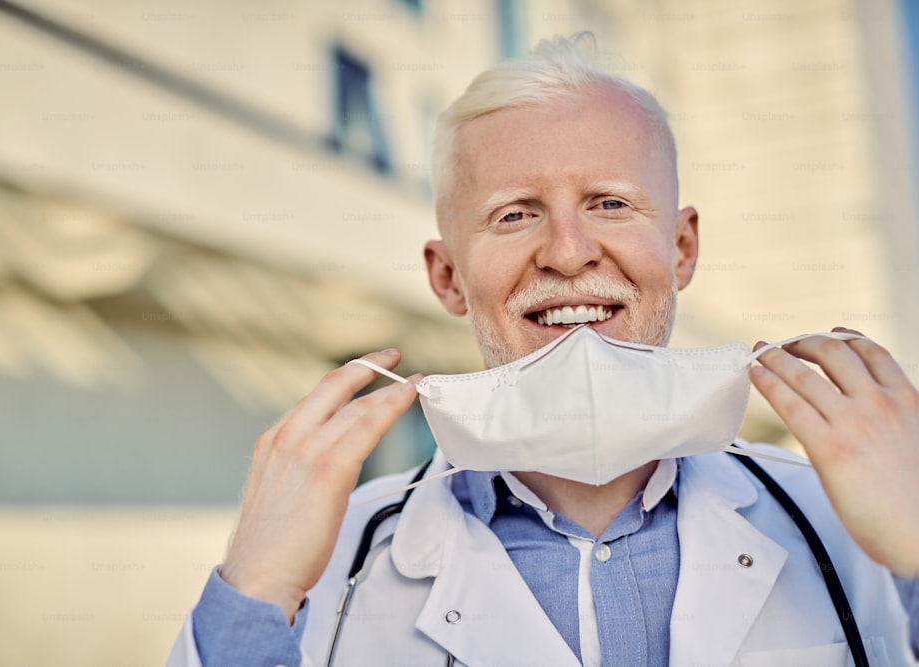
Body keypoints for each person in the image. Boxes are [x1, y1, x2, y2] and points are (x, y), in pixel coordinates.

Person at [169, 35, 919, 667]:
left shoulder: (849, 516)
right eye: (515, 213)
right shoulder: (328, 563)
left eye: (611, 203)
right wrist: (254, 592)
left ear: (682, 247)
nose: (567, 251)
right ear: (447, 275)